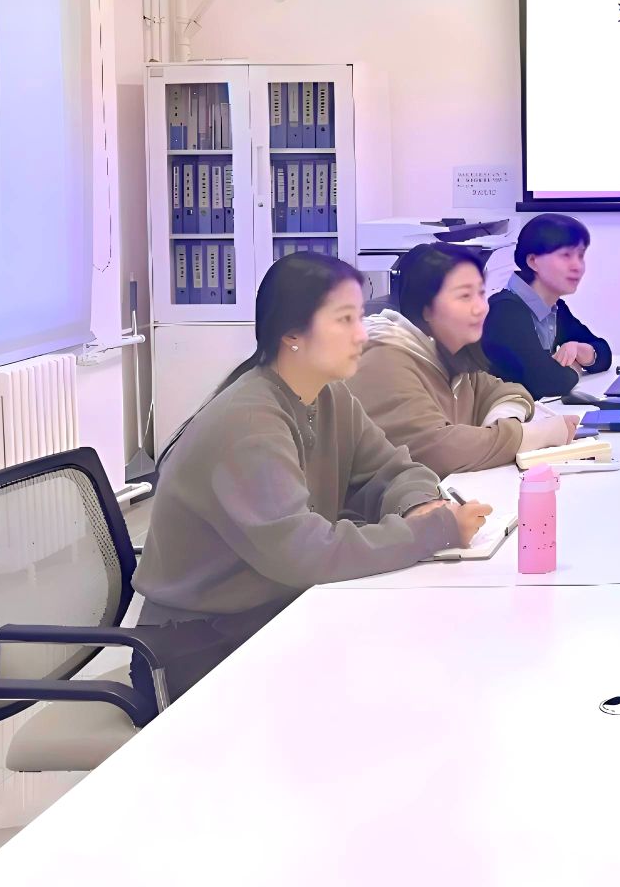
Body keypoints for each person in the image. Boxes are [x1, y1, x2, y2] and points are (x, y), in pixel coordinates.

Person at [135, 252, 491, 696]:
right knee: (397, 682)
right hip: (200, 647)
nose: (362, 334)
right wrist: (434, 529)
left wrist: (420, 504)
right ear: (291, 334)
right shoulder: (248, 423)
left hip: (274, 614)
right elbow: (307, 555)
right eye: (344, 320)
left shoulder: (328, 396)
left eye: (360, 316)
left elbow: (393, 469)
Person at [350, 243, 578, 475]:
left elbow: (508, 391)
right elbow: (439, 451)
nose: (481, 308)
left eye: (481, 293)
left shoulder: (452, 353)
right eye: (465, 296)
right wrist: (532, 436)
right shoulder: (385, 359)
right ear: (426, 309)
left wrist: (501, 421)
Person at [481, 213, 613, 398]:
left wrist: (581, 350)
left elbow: (604, 353)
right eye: (565, 255)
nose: (577, 266)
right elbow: (547, 383)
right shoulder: (505, 311)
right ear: (533, 261)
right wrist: (575, 367)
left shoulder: (555, 308)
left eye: (580, 255)